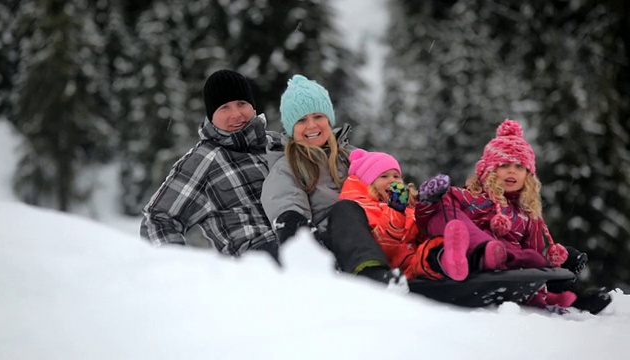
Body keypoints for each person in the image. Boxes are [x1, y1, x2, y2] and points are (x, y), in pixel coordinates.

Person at [415, 119, 611, 313]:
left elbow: (535, 253)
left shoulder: (527, 215)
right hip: (469, 256)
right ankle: (478, 254)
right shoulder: (471, 197)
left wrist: (552, 270)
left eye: (519, 166)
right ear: (490, 170)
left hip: (510, 264)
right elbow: (430, 219)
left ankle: (566, 296)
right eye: (504, 165)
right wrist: (429, 199)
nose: (511, 170)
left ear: (528, 175)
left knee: (534, 257)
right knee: (446, 212)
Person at [260, 74, 404, 287]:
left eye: (318, 116)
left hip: (381, 235)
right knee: (345, 210)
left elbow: (388, 185)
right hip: (330, 247)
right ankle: (372, 275)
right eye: (301, 120)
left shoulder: (355, 157)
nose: (311, 126)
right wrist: (299, 239)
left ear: (329, 118)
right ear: (291, 128)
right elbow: (286, 206)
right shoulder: (287, 167)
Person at [140, 69, 281, 259]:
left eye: (241, 103)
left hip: (306, 248)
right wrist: (178, 269)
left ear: (253, 107)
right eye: (224, 107)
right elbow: (157, 220)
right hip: (257, 260)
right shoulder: (205, 159)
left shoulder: (277, 143)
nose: (236, 114)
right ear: (211, 116)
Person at [339, 149, 507, 282]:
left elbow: (416, 232)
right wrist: (396, 212)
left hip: (414, 255)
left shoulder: (407, 206)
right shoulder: (367, 208)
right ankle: (449, 261)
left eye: (396, 176)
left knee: (435, 245)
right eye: (384, 176)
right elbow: (386, 246)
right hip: (398, 263)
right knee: (427, 257)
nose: (392, 180)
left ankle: (459, 258)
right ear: (369, 183)